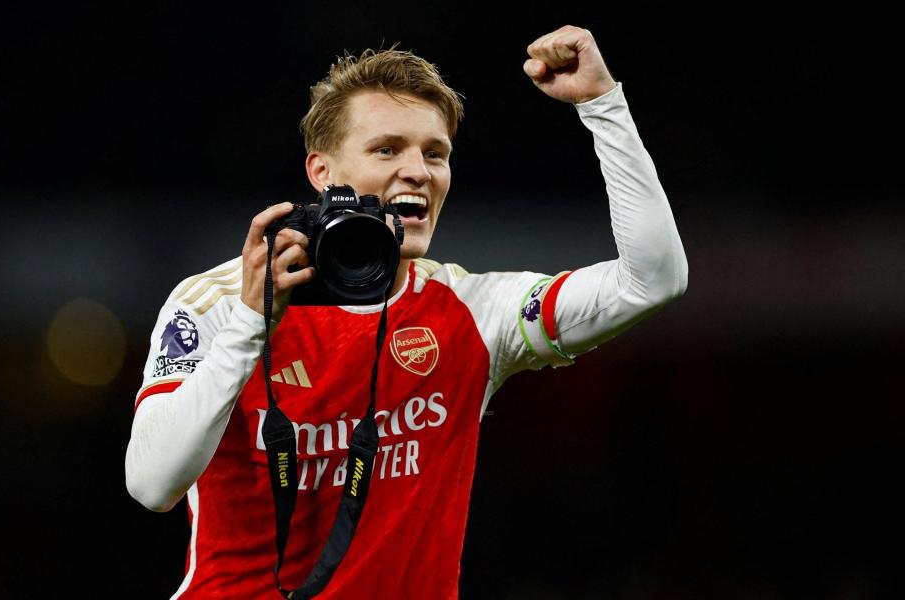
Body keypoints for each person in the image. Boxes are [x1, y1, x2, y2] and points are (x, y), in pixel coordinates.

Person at [125, 25, 688, 598]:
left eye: (435, 153)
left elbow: (653, 279)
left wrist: (602, 105)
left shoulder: (473, 311)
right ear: (322, 173)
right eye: (387, 149)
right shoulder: (221, 303)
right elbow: (152, 484)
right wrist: (250, 324)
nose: (419, 170)